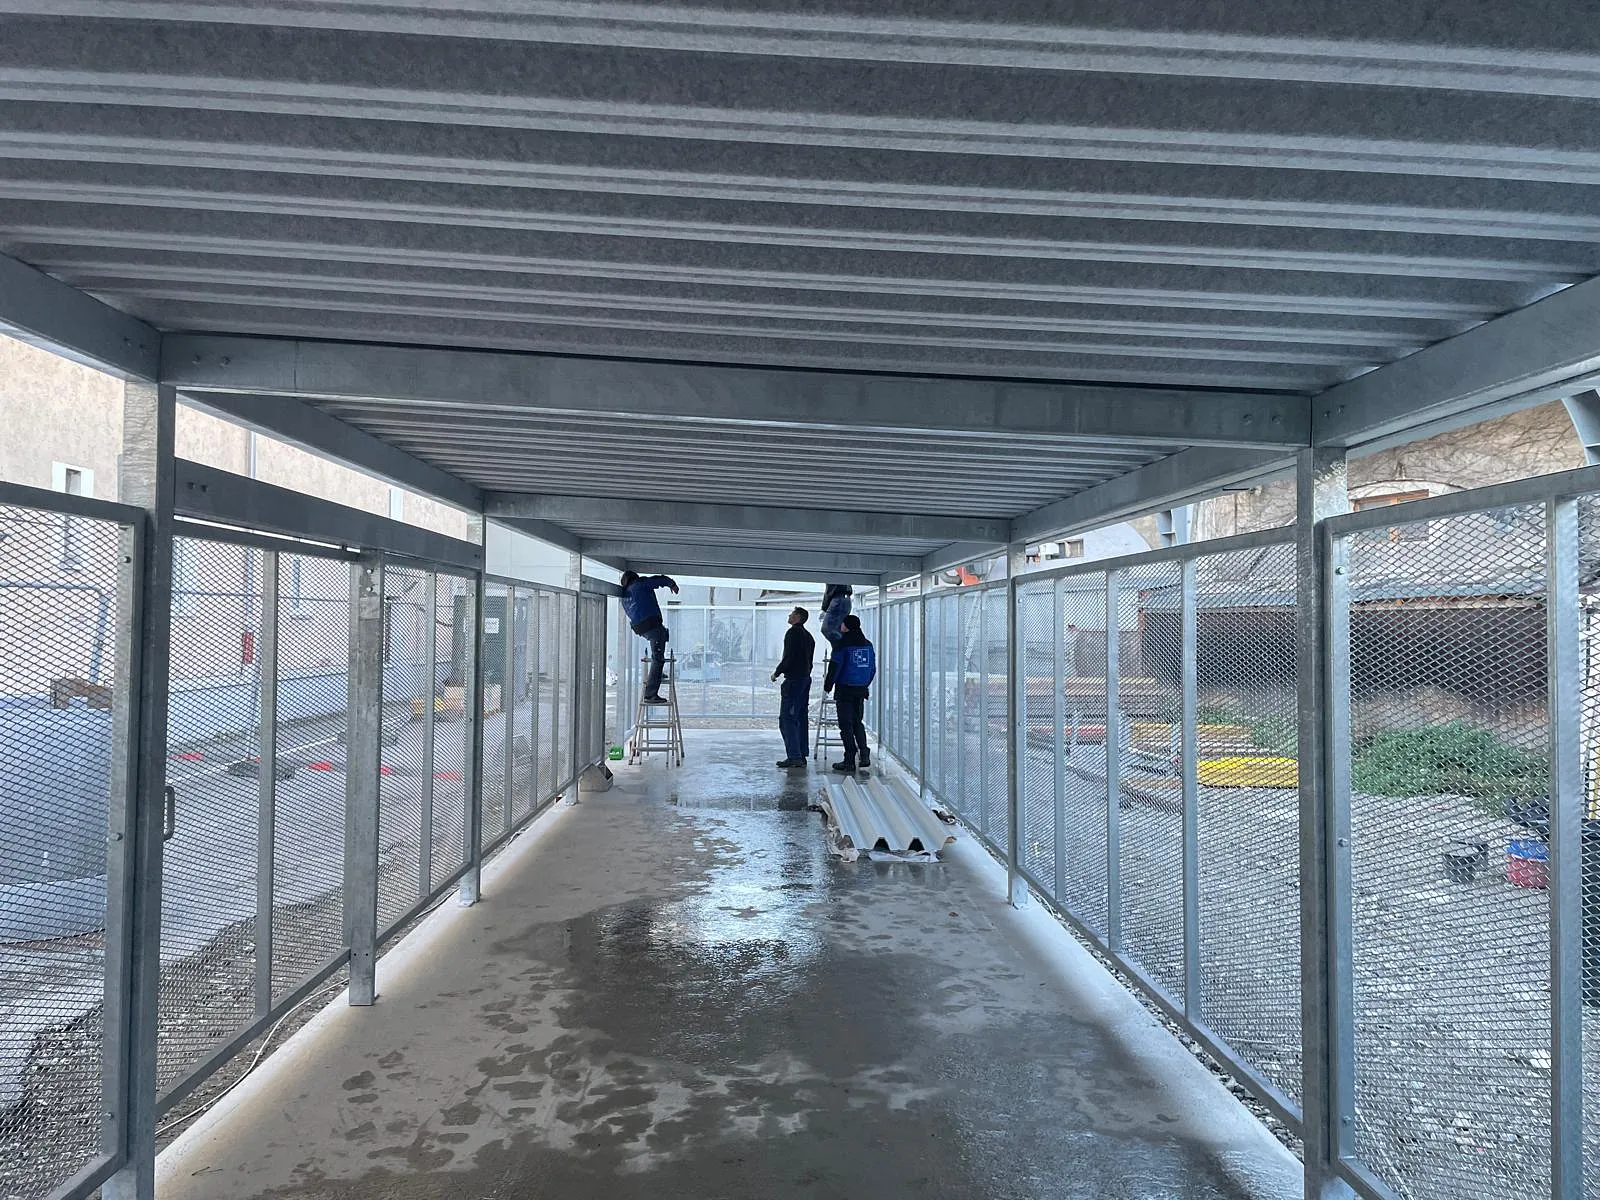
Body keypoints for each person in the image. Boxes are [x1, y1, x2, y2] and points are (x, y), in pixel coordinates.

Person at [823, 613, 875, 773]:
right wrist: (865, 684)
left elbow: (835, 668)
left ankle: (849, 760)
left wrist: (827, 686)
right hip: (861, 690)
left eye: (843, 623)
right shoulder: (867, 645)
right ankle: (864, 754)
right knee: (857, 722)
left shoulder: (842, 645)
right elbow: (872, 668)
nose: (841, 626)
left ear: (846, 627)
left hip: (845, 690)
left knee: (846, 725)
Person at [619, 570, 679, 704]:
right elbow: (658, 580)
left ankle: (657, 673)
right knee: (658, 657)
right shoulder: (640, 584)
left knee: (661, 637)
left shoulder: (625, 595)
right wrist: (672, 584)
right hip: (652, 625)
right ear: (635, 578)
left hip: (641, 628)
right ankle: (650, 695)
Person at [771, 606, 815, 769]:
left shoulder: (792, 633)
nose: (789, 616)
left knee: (787, 719)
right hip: (805, 680)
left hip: (794, 681)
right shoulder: (809, 637)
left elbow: (788, 657)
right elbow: (809, 661)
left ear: (797, 617)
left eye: (791, 614)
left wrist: (777, 672)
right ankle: (801, 754)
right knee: (800, 718)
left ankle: (794, 756)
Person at [819, 583, 852, 647]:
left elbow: (830, 589)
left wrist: (824, 608)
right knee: (839, 630)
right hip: (846, 599)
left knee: (827, 630)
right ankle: (842, 649)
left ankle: (842, 649)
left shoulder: (835, 578)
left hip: (838, 599)